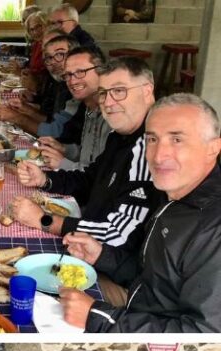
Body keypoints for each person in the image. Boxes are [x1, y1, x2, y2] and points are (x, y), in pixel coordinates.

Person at [60, 94, 221, 332]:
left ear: (213, 148)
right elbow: (154, 278)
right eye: (152, 139)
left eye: (177, 139)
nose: (158, 155)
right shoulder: (174, 196)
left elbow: (202, 337)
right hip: (136, 307)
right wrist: (101, 255)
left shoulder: (213, 225)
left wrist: (97, 317)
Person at [11, 58, 163, 249]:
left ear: (147, 90)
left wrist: (45, 221)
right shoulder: (119, 135)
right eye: (103, 93)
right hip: (86, 233)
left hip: (108, 263)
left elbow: (120, 235)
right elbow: (91, 180)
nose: (108, 102)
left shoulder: (150, 147)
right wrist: (44, 179)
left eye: (118, 91)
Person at [35, 46, 112, 171]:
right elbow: (88, 156)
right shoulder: (89, 108)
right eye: (68, 75)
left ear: (101, 71)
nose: (72, 81)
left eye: (81, 72)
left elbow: (102, 176)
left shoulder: (112, 115)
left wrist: (62, 163)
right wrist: (64, 149)